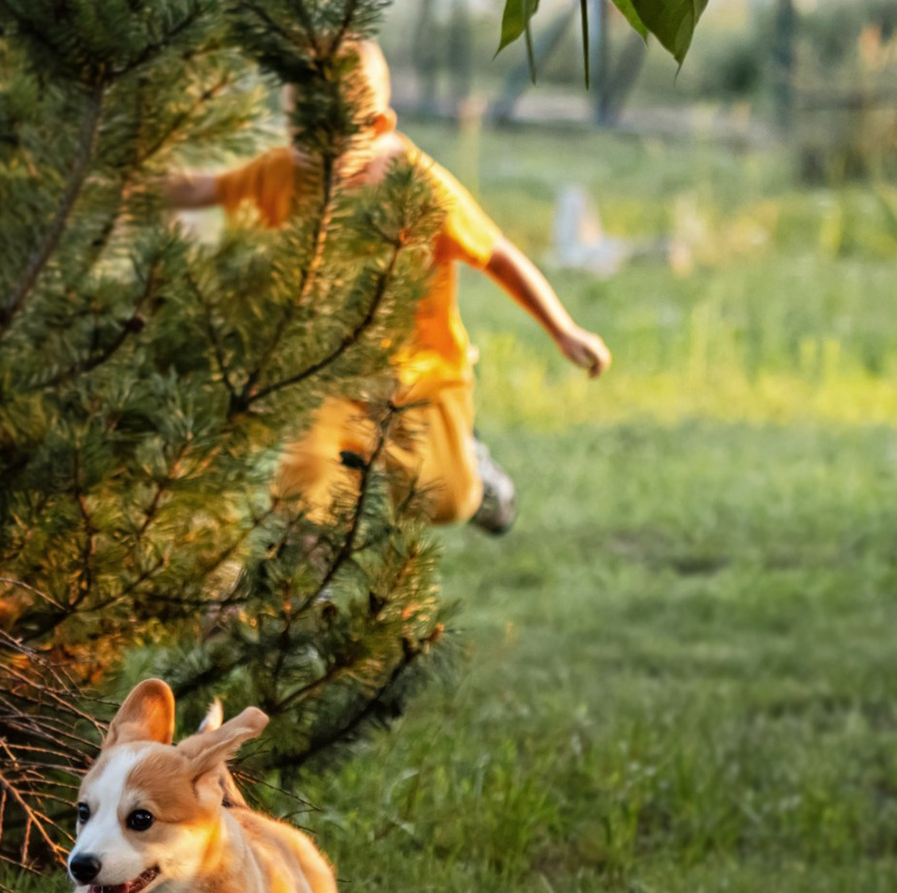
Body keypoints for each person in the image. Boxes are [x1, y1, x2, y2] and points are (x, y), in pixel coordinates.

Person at [162, 41, 610, 535]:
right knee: (301, 487)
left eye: (331, 137)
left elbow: (497, 254)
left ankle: (475, 466)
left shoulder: (415, 183)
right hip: (325, 372)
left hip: (418, 372)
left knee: (445, 503)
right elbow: (204, 189)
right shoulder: (284, 172)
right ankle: (312, 596)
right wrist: (121, 174)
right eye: (300, 133)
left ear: (376, 126)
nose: (314, 152)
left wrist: (563, 329)